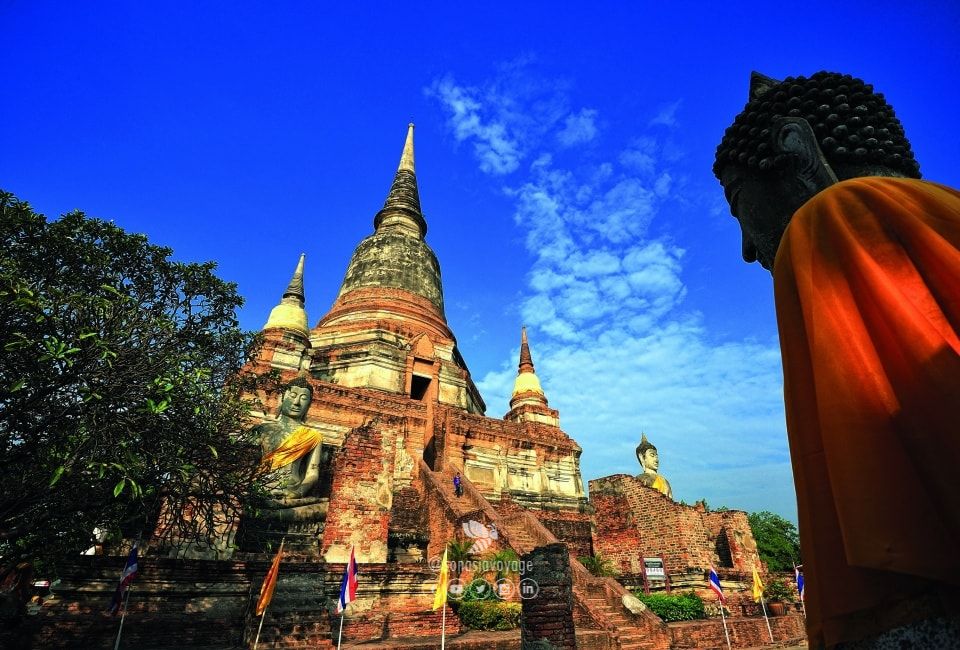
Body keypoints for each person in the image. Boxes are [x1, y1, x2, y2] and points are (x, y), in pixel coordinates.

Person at [714, 71, 960, 648]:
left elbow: (897, 511)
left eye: (739, 207)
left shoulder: (832, 219)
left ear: (798, 155)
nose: (749, 249)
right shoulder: (945, 208)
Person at [255, 376, 323, 500]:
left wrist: (297, 493)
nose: (296, 402)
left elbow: (312, 474)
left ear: (308, 405)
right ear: (282, 398)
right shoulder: (263, 429)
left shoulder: (313, 436)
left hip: (290, 491)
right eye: (292, 396)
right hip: (261, 486)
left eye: (303, 398)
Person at [635, 433, 672, 499]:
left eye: (656, 456)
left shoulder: (665, 481)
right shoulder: (641, 479)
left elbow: (671, 502)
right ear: (642, 458)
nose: (656, 460)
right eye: (652, 455)